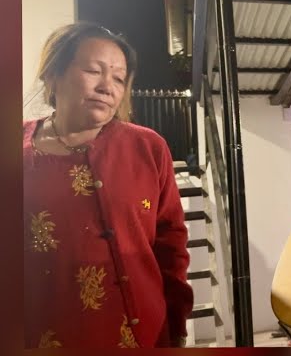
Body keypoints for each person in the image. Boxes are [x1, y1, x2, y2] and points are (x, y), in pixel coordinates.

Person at [23, 23, 193, 348]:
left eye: (118, 78)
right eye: (93, 71)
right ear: (52, 76)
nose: (107, 87)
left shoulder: (148, 148)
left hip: (144, 333)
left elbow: (171, 242)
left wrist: (177, 324)